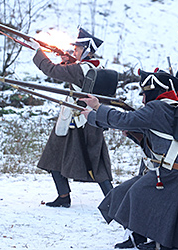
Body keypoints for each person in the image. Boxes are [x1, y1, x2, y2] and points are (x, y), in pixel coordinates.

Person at [80, 69, 178, 250]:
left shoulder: (157, 108)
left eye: (146, 94)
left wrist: (96, 110)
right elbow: (156, 139)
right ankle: (137, 236)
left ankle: (158, 242)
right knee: (124, 192)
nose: (143, 99)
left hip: (175, 169)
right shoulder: (176, 106)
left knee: (139, 194)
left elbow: (123, 119)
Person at [26, 28, 113, 208]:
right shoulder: (94, 66)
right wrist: (68, 61)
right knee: (54, 155)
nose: (75, 51)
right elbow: (72, 72)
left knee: (96, 163)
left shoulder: (80, 68)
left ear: (86, 50)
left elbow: (51, 70)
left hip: (81, 121)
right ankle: (63, 196)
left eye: (78, 49)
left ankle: (113, 199)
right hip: (78, 120)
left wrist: (37, 51)